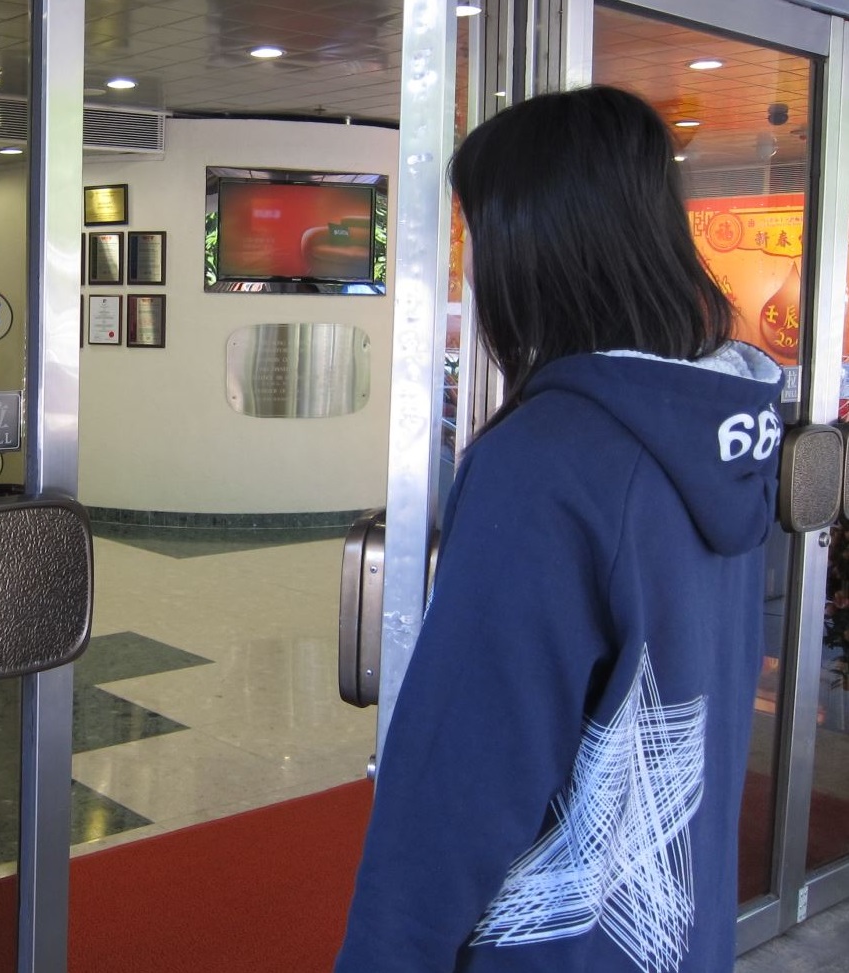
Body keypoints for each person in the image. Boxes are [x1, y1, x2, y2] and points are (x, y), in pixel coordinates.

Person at [334, 86, 783, 973]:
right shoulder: (715, 425)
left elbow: (461, 777)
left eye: (481, 239)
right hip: (673, 934)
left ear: (533, 247)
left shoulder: (549, 461)